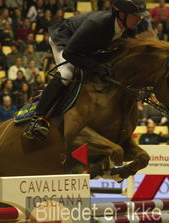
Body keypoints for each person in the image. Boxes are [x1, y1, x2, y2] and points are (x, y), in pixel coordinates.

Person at [24, 0, 149, 139]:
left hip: (89, 47)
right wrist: (95, 66)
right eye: (136, 15)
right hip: (66, 41)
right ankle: (39, 118)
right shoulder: (97, 24)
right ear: (121, 15)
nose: (140, 19)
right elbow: (69, 53)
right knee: (67, 73)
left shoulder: (131, 29)